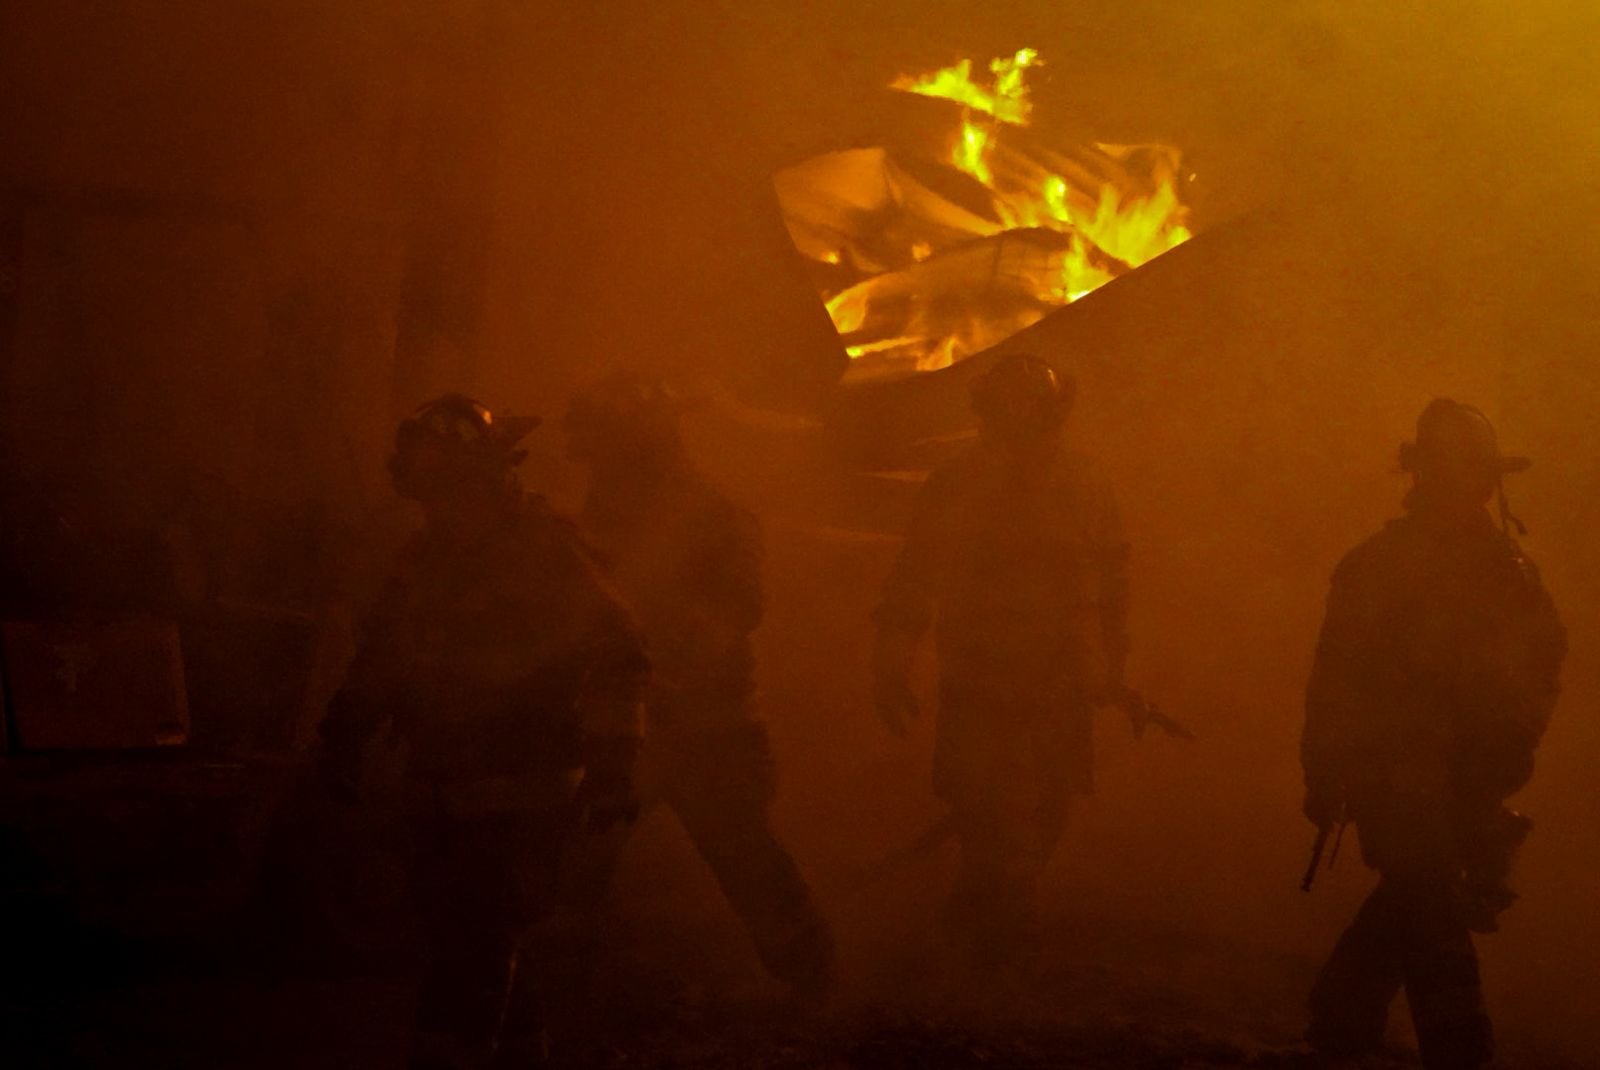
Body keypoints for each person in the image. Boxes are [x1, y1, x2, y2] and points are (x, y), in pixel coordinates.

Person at [318, 394, 648, 1070]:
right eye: (429, 492)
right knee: (479, 949)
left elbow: (619, 652)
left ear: (489, 479)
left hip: (523, 793)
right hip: (441, 790)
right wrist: (346, 728)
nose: (439, 508)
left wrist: (614, 761)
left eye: (450, 489)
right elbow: (385, 650)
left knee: (472, 956)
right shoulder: (426, 557)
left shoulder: (546, 553)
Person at [1300, 398, 1565, 1069]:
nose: (1464, 487)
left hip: (1472, 775)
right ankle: (1458, 1051)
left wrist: (1511, 753)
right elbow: (1336, 677)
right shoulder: (1378, 566)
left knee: (1415, 898)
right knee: (1430, 904)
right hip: (1391, 772)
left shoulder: (1510, 574)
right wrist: (1327, 770)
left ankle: (1340, 1016)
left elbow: (1540, 667)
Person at [562, 372, 834, 1001]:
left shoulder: (710, 514)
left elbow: (736, 610)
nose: (595, 466)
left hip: (706, 724)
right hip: (626, 723)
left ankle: (813, 980)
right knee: (574, 859)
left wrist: (663, 661)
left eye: (607, 448)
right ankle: (554, 997)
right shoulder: (599, 516)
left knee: (742, 855)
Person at [872, 352, 1130, 972]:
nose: (1017, 421)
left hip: (1057, 680)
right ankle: (1003, 950)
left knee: (1048, 808)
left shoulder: (1085, 485)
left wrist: (1111, 667)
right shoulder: (957, 483)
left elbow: (1112, 577)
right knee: (991, 813)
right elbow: (916, 574)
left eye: (1029, 408)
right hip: (980, 678)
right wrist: (892, 654)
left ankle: (971, 921)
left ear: (1052, 412)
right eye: (1006, 408)